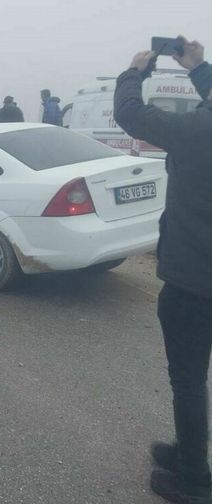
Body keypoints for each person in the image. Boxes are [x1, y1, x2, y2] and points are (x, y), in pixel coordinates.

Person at [114, 36, 212, 504]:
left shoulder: (198, 130)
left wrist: (136, 70)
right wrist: (196, 66)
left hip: (195, 281)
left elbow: (131, 114)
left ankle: (193, 479)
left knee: (189, 382)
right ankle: (188, 451)